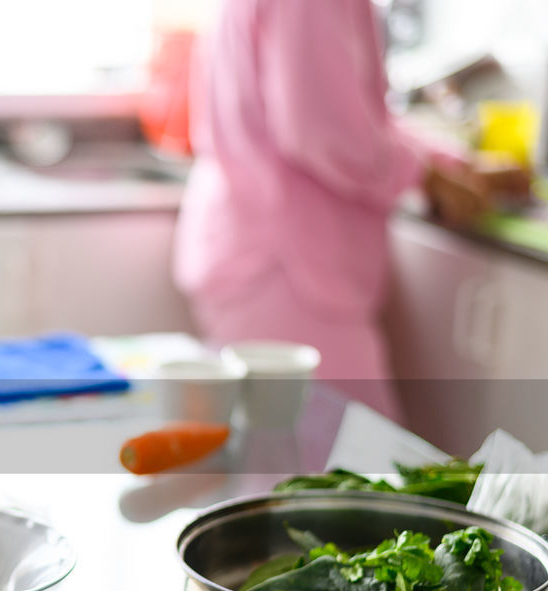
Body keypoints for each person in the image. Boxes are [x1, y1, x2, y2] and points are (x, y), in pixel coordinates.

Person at [172, 0, 521, 420]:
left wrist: (453, 164)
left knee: (298, 461)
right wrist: (428, 174)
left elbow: (355, 115)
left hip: (267, 253)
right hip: (288, 266)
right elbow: (322, 128)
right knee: (351, 467)